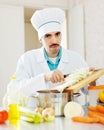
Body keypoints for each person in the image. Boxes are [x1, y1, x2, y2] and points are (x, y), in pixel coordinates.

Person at [3, 7, 95, 108]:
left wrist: (92, 80)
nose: (54, 40)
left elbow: (90, 92)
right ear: (40, 39)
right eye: (48, 36)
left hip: (70, 116)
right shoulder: (27, 59)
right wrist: (44, 77)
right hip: (39, 117)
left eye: (57, 34)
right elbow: (14, 90)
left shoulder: (75, 58)